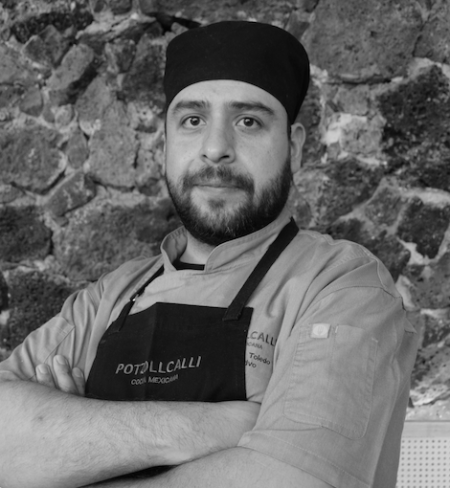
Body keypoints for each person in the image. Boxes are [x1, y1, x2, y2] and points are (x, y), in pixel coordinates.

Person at [0, 20, 417, 488]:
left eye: (248, 121)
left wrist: (68, 449)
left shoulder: (344, 286)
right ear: (166, 144)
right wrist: (212, 428)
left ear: (295, 148)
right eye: (193, 120)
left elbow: (293, 481)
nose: (216, 148)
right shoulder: (106, 299)